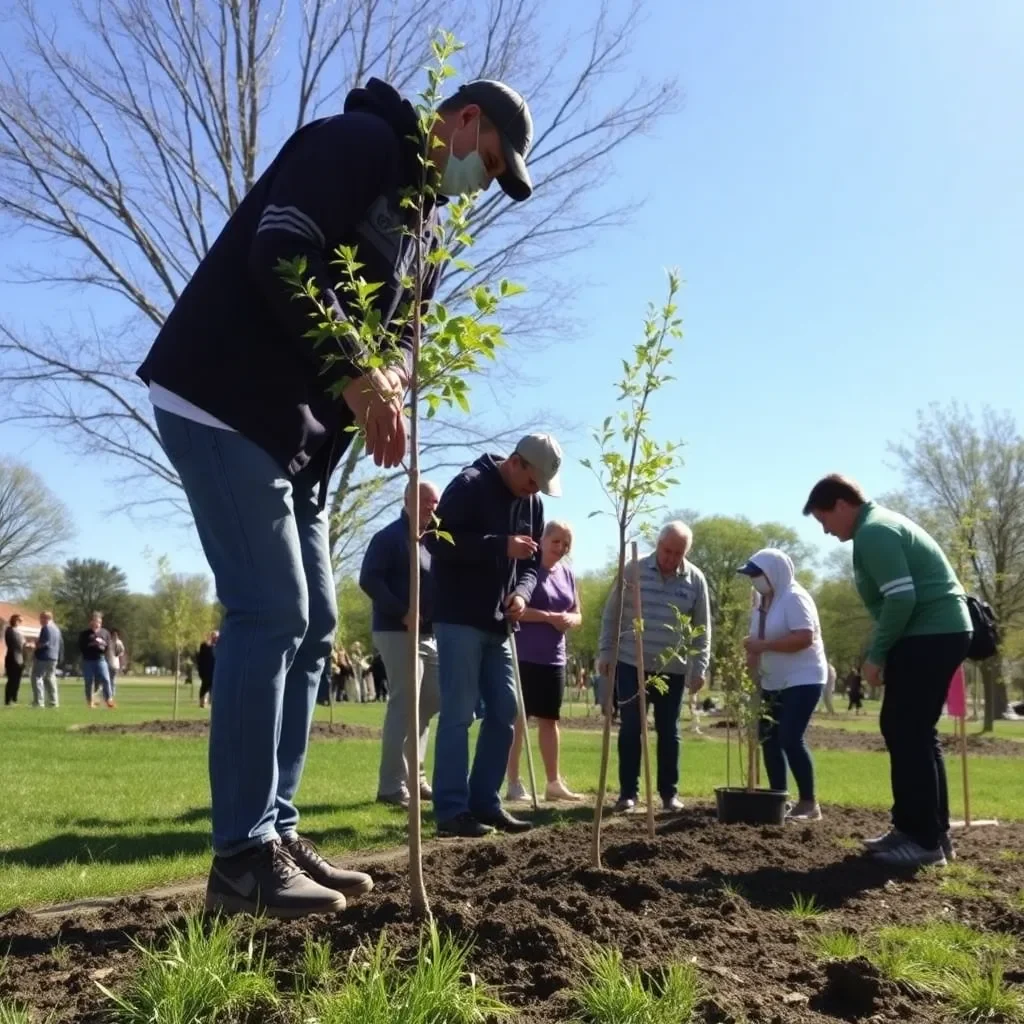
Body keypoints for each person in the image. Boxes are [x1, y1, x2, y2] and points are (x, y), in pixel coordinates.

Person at [136, 67, 534, 916]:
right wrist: (357, 370)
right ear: (464, 121)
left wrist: (385, 377)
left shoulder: (423, 231)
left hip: (296, 443)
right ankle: (239, 855)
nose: (484, 185)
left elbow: (405, 344)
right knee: (270, 609)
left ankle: (273, 830)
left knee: (315, 624)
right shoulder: (357, 145)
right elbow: (278, 250)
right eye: (491, 163)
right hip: (223, 397)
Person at [804, 473, 972, 868]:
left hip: (931, 634)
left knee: (906, 729)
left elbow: (901, 599)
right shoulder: (879, 527)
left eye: (824, 519)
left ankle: (924, 842)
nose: (826, 531)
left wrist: (876, 654)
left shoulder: (874, 532)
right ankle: (924, 830)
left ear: (843, 505)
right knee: (912, 731)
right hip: (937, 632)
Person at [427, 434, 561, 838]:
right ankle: (451, 811)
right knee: (459, 712)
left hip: (500, 624)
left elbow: (533, 563)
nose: (533, 492)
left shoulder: (532, 504)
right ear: (517, 462)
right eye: (532, 481)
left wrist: (521, 594)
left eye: (539, 487)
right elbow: (436, 539)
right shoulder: (469, 484)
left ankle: (485, 803)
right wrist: (499, 545)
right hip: (458, 618)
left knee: (506, 710)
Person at [599, 521, 711, 814]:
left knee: (669, 731)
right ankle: (628, 794)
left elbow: (702, 628)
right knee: (631, 728)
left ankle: (668, 794)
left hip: (672, 668)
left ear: (686, 552)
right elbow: (612, 613)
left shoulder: (695, 579)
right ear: (658, 544)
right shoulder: (633, 570)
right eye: (666, 550)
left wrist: (699, 666)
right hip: (630, 662)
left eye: (677, 553)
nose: (670, 557)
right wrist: (605, 652)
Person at [360, 479, 442, 809]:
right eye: (426, 500)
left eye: (435, 503)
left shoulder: (432, 542)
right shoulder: (390, 538)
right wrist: (402, 611)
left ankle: (415, 775)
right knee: (404, 703)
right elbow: (369, 579)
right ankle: (391, 786)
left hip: (428, 635)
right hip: (396, 630)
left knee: (432, 699)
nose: (432, 507)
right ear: (408, 499)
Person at [739, 548, 827, 821]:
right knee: (769, 738)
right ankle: (778, 800)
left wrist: (764, 645)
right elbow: (756, 643)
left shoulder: (794, 598)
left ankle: (809, 803)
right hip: (772, 680)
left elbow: (804, 637)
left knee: (790, 736)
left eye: (757, 574)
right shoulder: (762, 602)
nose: (754, 579)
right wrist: (750, 665)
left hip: (803, 678)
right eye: (751, 575)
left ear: (773, 573)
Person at [505, 520, 583, 802]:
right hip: (524, 655)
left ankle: (553, 783)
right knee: (519, 720)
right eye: (556, 541)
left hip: (554, 658)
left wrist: (570, 620)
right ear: (543, 539)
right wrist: (550, 618)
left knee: (550, 720)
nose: (561, 548)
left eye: (566, 544)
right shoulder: (527, 569)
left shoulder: (567, 574)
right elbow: (515, 610)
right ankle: (513, 783)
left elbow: (577, 612)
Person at [79, 611, 113, 708]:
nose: (97, 624)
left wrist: (102, 644)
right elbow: (81, 647)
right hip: (88, 660)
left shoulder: (105, 632)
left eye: (99, 622)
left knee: (106, 679)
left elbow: (108, 645)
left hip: (101, 659)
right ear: (91, 622)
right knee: (89, 681)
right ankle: (90, 702)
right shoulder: (85, 634)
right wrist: (91, 644)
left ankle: (109, 700)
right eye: (95, 621)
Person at [31, 611, 63, 708]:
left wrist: (34, 646)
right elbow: (60, 644)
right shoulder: (57, 629)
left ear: (46, 618)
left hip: (43, 657)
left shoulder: (46, 628)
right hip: (53, 657)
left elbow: (45, 643)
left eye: (41, 618)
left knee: (36, 677)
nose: (40, 621)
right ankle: (54, 702)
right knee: (50, 678)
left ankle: (39, 702)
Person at [4, 614, 27, 706]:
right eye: (19, 621)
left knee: (17, 680)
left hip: (19, 657)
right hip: (13, 658)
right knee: (12, 680)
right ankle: (9, 700)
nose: (20, 623)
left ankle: (14, 698)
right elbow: (17, 645)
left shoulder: (17, 631)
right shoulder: (11, 630)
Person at [197, 631, 218, 708]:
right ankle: (203, 702)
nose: (214, 638)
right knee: (205, 686)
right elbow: (201, 659)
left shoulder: (216, 647)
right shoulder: (205, 646)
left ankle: (210, 702)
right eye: (213, 637)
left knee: (212, 687)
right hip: (206, 672)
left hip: (213, 671)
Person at [107, 629, 126, 698]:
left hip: (115, 664)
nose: (115, 636)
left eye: (116, 634)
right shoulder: (109, 642)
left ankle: (111, 694)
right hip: (108, 663)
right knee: (107, 679)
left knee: (113, 680)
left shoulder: (119, 642)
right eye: (114, 634)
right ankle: (108, 693)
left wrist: (122, 665)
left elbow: (122, 653)